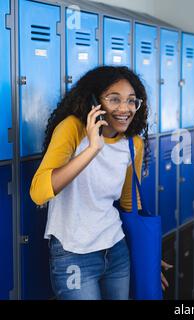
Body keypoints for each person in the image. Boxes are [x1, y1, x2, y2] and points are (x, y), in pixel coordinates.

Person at [30, 66, 171, 300]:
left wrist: (148, 257)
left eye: (131, 101)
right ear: (94, 101)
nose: (125, 108)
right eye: (114, 99)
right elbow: (38, 192)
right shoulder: (72, 129)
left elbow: (129, 202)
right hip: (74, 254)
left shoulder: (132, 144)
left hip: (116, 249)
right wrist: (93, 148)